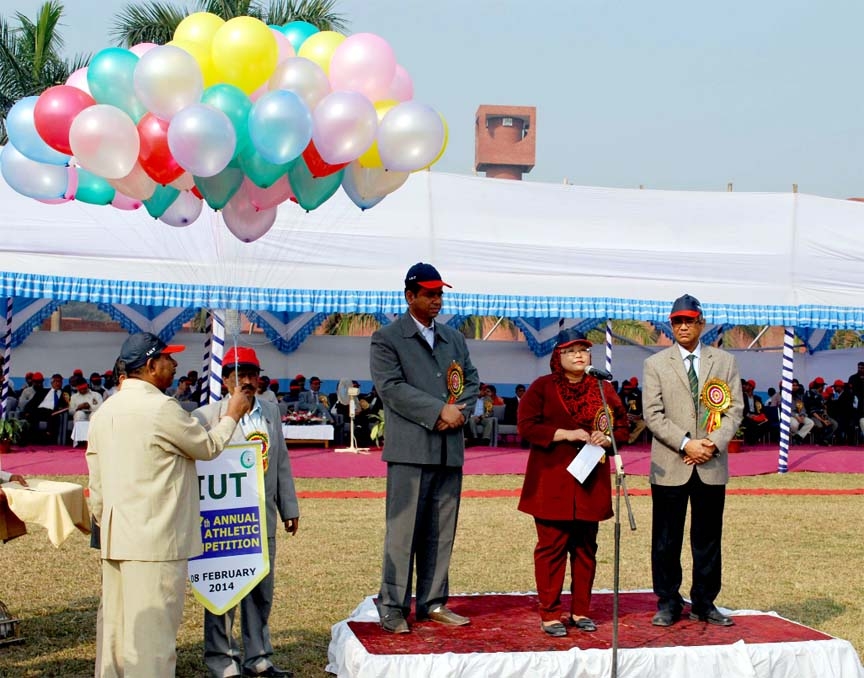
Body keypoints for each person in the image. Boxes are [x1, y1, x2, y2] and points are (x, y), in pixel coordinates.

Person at [86, 332, 250, 678]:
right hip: (157, 541)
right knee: (153, 643)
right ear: (150, 366)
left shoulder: (105, 410)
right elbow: (207, 447)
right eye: (167, 358)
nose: (174, 364)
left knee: (115, 637)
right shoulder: (161, 408)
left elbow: (96, 487)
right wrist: (232, 414)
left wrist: (112, 523)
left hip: (117, 538)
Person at [369, 262, 479, 634]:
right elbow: (391, 388)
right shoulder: (387, 338)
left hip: (449, 450)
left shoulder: (454, 338)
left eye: (439, 294)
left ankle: (433, 602)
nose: (436, 300)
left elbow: (471, 380)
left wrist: (458, 412)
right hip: (410, 451)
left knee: (441, 532)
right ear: (409, 296)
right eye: (429, 294)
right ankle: (393, 606)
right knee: (403, 533)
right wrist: (438, 412)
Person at [193, 346, 299, 678]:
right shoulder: (205, 417)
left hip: (262, 516)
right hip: (223, 522)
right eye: (240, 376)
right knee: (222, 591)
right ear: (225, 381)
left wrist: (288, 507)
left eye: (253, 374)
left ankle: (259, 658)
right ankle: (222, 661)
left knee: (260, 592)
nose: (248, 382)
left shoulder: (271, 411)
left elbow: (280, 462)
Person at [517, 329, 628, 637]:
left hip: (591, 480)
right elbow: (526, 425)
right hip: (552, 478)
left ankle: (580, 611)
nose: (579, 355)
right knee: (551, 546)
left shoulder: (603, 389)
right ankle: (550, 613)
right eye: (571, 351)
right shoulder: (542, 387)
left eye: (583, 350)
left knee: (585, 548)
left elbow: (622, 426)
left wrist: (607, 438)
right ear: (558, 356)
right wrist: (565, 434)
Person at [642, 294, 743, 628]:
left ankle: (704, 602)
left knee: (708, 539)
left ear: (702, 322)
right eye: (677, 321)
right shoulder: (655, 364)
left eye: (689, 320)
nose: (683, 326)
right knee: (666, 539)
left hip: (711, 465)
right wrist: (687, 444)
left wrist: (711, 444)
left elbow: (735, 409)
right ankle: (668, 602)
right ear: (670, 325)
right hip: (671, 464)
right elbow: (652, 415)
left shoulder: (725, 362)